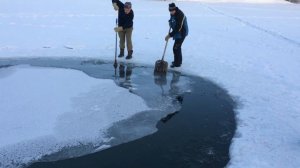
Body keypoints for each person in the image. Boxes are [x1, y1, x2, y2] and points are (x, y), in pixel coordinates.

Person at [165, 3, 188, 68]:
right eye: (170, 10)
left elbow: (178, 28)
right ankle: (178, 61)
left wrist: (169, 35)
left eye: (172, 10)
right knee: (177, 47)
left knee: (176, 48)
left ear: (175, 9)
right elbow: (172, 19)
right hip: (177, 32)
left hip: (182, 33)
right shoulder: (173, 13)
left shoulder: (180, 15)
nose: (171, 12)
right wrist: (170, 22)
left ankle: (177, 64)